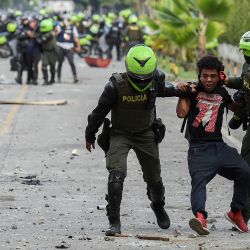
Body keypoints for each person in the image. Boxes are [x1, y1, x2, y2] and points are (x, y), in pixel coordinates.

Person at [85, 44, 189, 236]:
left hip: (146, 134)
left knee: (154, 180)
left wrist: (183, 90)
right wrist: (89, 135)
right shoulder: (115, 86)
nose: (141, 83)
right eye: (137, 78)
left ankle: (158, 205)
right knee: (116, 176)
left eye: (146, 79)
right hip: (120, 134)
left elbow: (166, 90)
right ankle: (114, 222)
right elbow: (98, 113)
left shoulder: (156, 81)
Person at [176, 55, 250, 235]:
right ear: (199, 75)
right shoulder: (192, 91)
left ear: (219, 76)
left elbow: (235, 108)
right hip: (199, 148)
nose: (208, 80)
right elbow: (181, 113)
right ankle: (200, 218)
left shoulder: (222, 93)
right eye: (205, 76)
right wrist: (182, 93)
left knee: (245, 172)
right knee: (199, 181)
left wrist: (244, 97)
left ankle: (235, 212)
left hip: (219, 146)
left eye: (213, 76)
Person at [224, 31, 250, 224]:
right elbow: (244, 84)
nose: (245, 57)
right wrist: (227, 81)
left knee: (245, 169)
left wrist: (238, 114)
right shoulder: (247, 67)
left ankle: (241, 212)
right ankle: (241, 213)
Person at [55, 17, 80, 83]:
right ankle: (58, 77)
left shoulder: (73, 28)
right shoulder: (59, 26)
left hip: (69, 47)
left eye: (69, 20)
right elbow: (55, 34)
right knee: (60, 63)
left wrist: (78, 46)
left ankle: (75, 77)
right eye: (66, 20)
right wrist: (59, 29)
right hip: (60, 46)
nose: (68, 22)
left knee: (71, 62)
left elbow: (76, 38)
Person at [37, 18, 57, 85]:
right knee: (44, 67)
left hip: (52, 52)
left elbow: (41, 40)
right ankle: (46, 80)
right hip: (45, 52)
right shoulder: (44, 33)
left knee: (52, 67)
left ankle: (52, 79)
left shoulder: (50, 33)